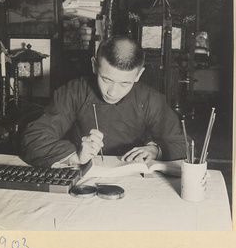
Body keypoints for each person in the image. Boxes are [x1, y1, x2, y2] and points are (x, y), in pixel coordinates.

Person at [21, 35, 191, 168]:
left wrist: (157, 151)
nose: (112, 92)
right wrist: (76, 156)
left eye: (125, 83)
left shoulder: (150, 99)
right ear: (94, 65)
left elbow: (185, 145)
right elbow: (33, 139)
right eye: (106, 79)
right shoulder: (74, 91)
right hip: (83, 175)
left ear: (139, 75)